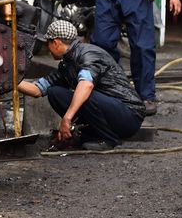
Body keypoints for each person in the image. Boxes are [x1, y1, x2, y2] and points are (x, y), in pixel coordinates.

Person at [18, 20, 145, 152]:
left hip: (129, 115)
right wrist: (10, 83)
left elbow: (86, 85)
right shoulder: (67, 64)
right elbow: (37, 90)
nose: (47, 49)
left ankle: (108, 139)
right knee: (55, 93)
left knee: (84, 95)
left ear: (56, 42)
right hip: (111, 111)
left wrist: (67, 118)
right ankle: (89, 135)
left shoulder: (88, 54)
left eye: (47, 43)